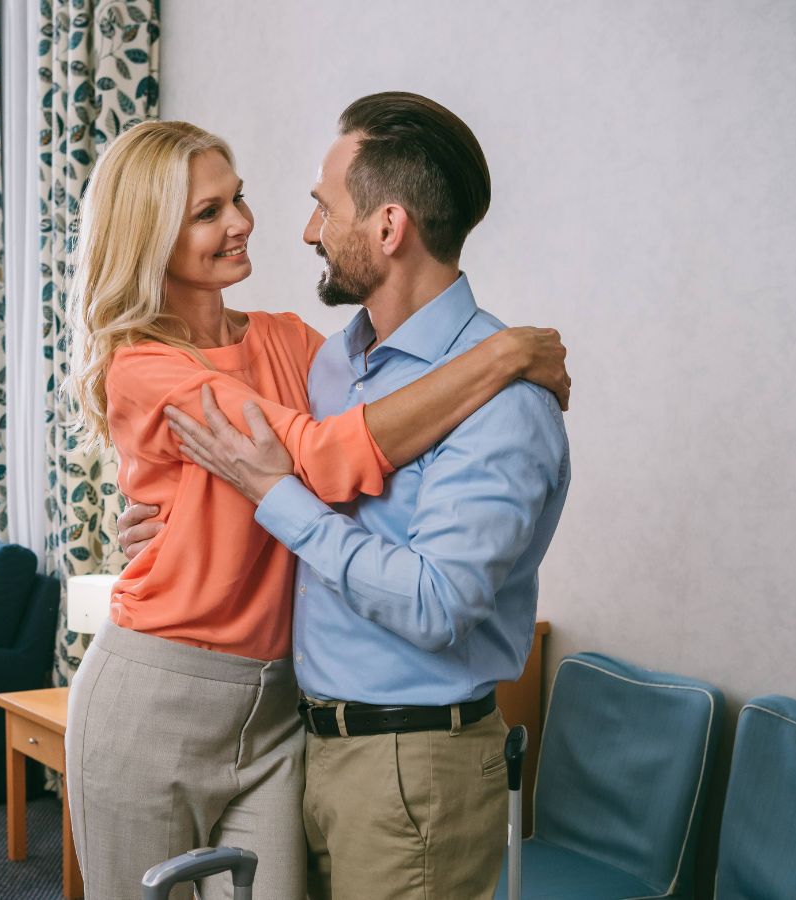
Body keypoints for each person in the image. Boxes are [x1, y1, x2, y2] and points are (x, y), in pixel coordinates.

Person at [64, 118, 570, 900]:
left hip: (279, 711)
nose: (246, 223)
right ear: (150, 236)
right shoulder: (146, 367)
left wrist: (501, 365)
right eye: (208, 212)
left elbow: (327, 449)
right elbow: (326, 458)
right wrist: (500, 356)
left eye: (237, 200)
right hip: (160, 690)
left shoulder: (305, 348)